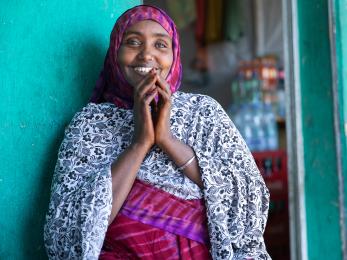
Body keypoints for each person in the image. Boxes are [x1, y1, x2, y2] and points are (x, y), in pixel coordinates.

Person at [44, 5, 270, 260]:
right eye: (132, 42)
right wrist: (140, 144)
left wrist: (167, 140)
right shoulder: (89, 124)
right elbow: (68, 230)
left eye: (160, 45)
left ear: (174, 56)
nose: (146, 55)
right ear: (115, 54)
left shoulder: (204, 113)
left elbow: (250, 199)